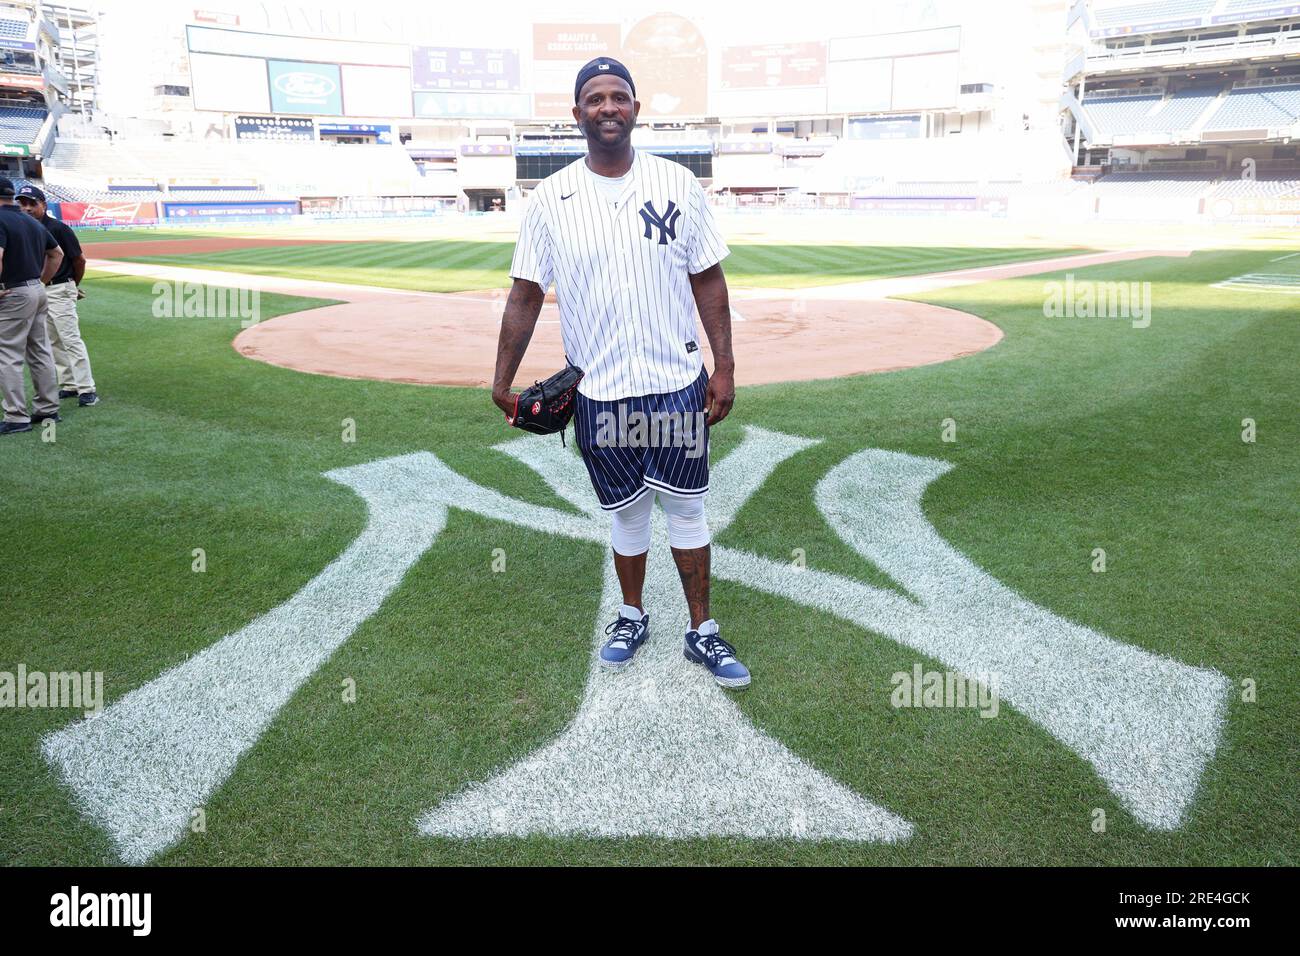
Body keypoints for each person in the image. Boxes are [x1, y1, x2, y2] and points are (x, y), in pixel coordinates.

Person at [491, 57, 748, 689]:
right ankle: (631, 615)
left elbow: (709, 279)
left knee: (688, 512)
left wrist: (726, 365)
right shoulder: (550, 201)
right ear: (576, 114)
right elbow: (525, 295)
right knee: (627, 515)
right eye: (596, 99)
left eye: (620, 97)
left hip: (677, 386)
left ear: (636, 109)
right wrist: (502, 380)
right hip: (599, 394)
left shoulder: (678, 185)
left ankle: (702, 631)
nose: (609, 107)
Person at [17, 185, 98, 406]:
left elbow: (79, 260)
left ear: (43, 204)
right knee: (52, 340)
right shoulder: (26, 228)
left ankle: (87, 388)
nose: (27, 208)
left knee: (70, 338)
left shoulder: (58, 228)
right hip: (39, 288)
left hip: (59, 287)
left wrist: (73, 285)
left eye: (32, 203)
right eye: (22, 204)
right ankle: (69, 384)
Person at [0, 177, 63, 436]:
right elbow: (56, 253)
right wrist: (41, 281)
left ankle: (16, 416)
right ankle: (48, 408)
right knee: (40, 351)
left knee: (8, 355)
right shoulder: (30, 221)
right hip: (36, 290)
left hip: (13, 292)